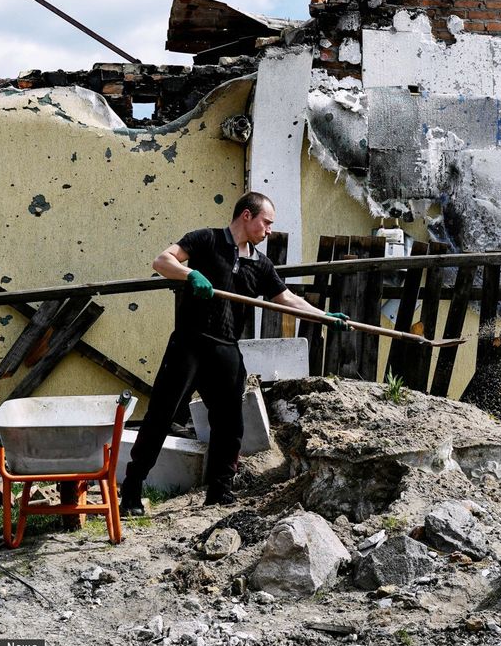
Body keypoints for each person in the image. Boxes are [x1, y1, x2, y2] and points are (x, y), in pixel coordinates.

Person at [120, 191, 348, 514]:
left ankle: (219, 492)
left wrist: (324, 317)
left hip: (226, 348)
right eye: (266, 223)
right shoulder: (206, 240)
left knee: (230, 424)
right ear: (246, 216)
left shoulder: (261, 264)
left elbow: (287, 300)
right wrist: (190, 274)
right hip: (189, 343)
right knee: (161, 415)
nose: (269, 230)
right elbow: (162, 261)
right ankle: (131, 489)